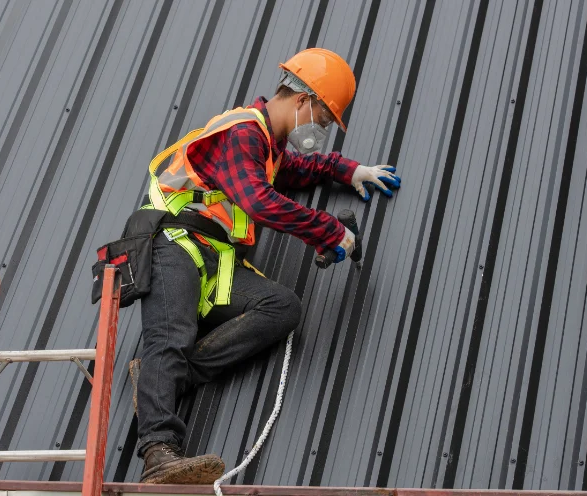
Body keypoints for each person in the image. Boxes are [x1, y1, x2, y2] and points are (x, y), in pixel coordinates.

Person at [134, 48, 401, 484]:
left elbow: (295, 171)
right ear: (302, 102)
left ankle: (164, 380)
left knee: (282, 307)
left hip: (212, 259)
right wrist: (328, 231)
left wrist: (348, 170)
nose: (324, 130)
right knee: (171, 334)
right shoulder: (243, 133)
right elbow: (258, 200)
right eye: (325, 119)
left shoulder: (267, 147)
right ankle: (159, 454)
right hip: (174, 243)